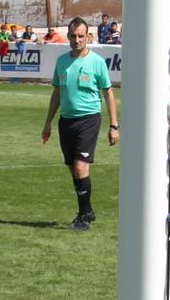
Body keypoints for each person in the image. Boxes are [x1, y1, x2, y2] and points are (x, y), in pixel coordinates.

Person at [41, 18, 119, 231]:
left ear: (88, 37)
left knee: (80, 166)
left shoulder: (97, 62)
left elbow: (108, 93)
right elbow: (57, 93)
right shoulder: (62, 62)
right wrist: (47, 123)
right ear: (68, 36)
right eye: (73, 36)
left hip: (89, 119)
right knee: (73, 169)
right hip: (66, 121)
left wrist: (114, 126)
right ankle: (87, 210)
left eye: (81, 36)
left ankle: (83, 216)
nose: (77, 40)